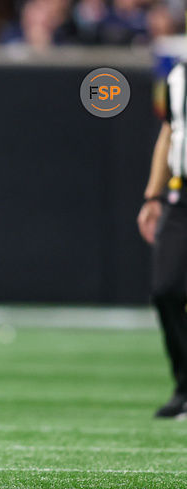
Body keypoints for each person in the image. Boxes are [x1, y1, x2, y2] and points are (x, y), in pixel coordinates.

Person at [137, 60, 187, 419]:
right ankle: (185, 385)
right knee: (166, 288)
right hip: (180, 193)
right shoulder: (178, 75)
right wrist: (153, 195)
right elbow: (170, 130)